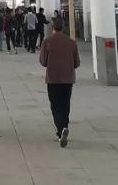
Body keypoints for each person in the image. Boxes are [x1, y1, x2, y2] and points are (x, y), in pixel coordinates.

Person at [39, 15, 80, 147]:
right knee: (65, 105)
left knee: (55, 105)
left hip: (53, 79)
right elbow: (77, 63)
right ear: (63, 28)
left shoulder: (47, 42)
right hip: (68, 79)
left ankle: (60, 130)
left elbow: (43, 62)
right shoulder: (71, 42)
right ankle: (65, 127)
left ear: (52, 27)